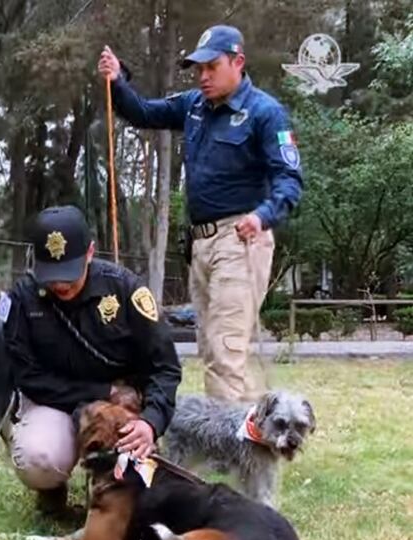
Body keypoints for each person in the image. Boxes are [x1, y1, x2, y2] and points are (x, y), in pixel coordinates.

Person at [98, 25, 303, 403]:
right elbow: (143, 113)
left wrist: (262, 216)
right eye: (198, 69)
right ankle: (252, 445)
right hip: (201, 244)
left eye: (212, 67)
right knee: (214, 351)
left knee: (225, 354)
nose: (203, 76)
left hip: (241, 238)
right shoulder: (193, 106)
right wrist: (118, 80)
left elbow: (289, 180)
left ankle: (228, 454)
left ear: (237, 62)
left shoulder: (265, 113)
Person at [1, 206, 182, 516]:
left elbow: (164, 366)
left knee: (140, 493)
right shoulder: (23, 298)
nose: (59, 286)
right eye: (51, 276)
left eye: (69, 274)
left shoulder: (126, 290)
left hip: (121, 408)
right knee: (38, 458)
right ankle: (51, 487)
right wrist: (101, 391)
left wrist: (151, 422)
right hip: (54, 401)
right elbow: (26, 375)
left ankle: (109, 491)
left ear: (90, 252)